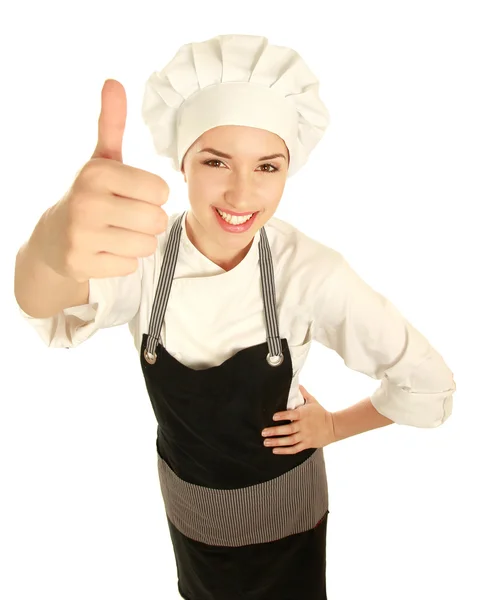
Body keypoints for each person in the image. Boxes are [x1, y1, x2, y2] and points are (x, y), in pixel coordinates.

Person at [14, 34, 456, 600]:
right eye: (216, 160)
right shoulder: (142, 257)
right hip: (192, 511)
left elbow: (428, 383)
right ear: (182, 161)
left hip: (285, 516)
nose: (242, 192)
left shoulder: (310, 273)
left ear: (288, 169)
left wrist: (334, 427)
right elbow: (48, 308)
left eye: (267, 166)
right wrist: (49, 249)